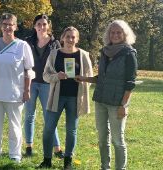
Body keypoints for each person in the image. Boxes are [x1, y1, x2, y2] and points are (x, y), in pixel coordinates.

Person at [76, 20, 138, 170]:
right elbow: (102, 78)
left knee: (117, 140)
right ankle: (105, 166)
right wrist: (85, 79)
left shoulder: (129, 53)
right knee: (102, 139)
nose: (115, 35)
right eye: (112, 32)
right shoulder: (104, 52)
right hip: (101, 100)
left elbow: (130, 82)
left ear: (125, 34)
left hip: (117, 103)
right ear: (108, 34)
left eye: (118, 32)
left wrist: (123, 105)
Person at [38, 26, 93, 169]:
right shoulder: (54, 54)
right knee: (49, 129)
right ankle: (47, 160)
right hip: (57, 97)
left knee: (71, 130)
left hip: (75, 98)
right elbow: (45, 75)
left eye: (73, 37)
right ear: (62, 38)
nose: (70, 39)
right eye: (67, 36)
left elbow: (91, 78)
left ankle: (67, 160)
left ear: (77, 39)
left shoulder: (83, 55)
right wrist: (57, 76)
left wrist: (83, 79)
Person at [0, 13, 34, 163]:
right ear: (1, 26)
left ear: (15, 26)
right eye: (4, 24)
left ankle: (15, 154)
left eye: (10, 24)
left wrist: (27, 90)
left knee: (15, 126)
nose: (7, 27)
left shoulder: (22, 46)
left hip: (14, 94)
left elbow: (28, 71)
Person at [24, 14, 63, 157]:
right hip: (30, 83)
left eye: (44, 24)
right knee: (29, 116)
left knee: (49, 117)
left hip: (48, 84)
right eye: (39, 24)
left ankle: (57, 148)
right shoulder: (27, 42)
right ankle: (28, 147)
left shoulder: (55, 43)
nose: (41, 27)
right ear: (34, 26)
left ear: (48, 26)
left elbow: (60, 63)